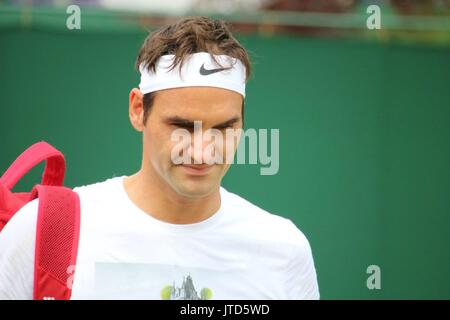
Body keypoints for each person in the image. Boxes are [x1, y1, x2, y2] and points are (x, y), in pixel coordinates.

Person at [0, 16, 319, 300]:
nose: (201, 151)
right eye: (181, 126)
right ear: (138, 110)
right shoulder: (41, 231)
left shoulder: (284, 250)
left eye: (224, 127)